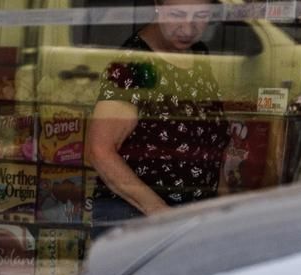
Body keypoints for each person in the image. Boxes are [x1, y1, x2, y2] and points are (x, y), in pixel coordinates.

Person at [83, 0, 229, 235]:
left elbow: (210, 145)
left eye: (201, 15)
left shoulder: (199, 54)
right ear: (157, 6)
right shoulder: (135, 63)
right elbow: (100, 151)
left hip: (193, 222)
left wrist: (224, 210)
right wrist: (162, 214)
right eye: (178, 15)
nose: (188, 28)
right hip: (140, 224)